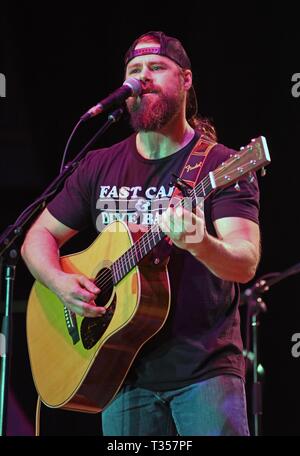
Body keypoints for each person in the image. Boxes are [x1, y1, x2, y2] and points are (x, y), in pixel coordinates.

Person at [21, 31, 260, 436]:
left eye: (156, 67)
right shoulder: (99, 164)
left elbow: (244, 262)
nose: (142, 77)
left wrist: (200, 243)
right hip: (119, 370)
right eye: (134, 70)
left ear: (186, 80)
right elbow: (34, 239)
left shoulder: (221, 165)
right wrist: (60, 283)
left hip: (203, 374)